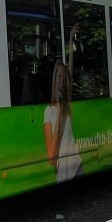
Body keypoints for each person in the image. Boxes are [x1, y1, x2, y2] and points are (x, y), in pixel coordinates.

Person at [44, 40, 83, 182]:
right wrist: (60, 117)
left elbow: (70, 72)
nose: (61, 81)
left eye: (63, 77)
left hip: (77, 165)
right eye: (59, 76)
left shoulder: (68, 105)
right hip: (63, 173)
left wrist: (71, 39)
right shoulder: (49, 111)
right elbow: (51, 159)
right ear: (54, 79)